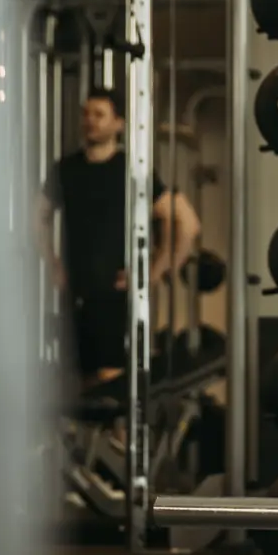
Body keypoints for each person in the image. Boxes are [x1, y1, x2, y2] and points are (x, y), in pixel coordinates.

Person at [37, 90, 200, 388]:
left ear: (119, 124)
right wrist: (52, 264)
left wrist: (154, 272)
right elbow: (36, 218)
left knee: (111, 384)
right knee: (74, 383)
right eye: (86, 114)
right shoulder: (66, 170)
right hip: (75, 293)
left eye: (99, 115)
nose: (90, 121)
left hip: (117, 294)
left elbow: (187, 222)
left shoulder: (132, 170)